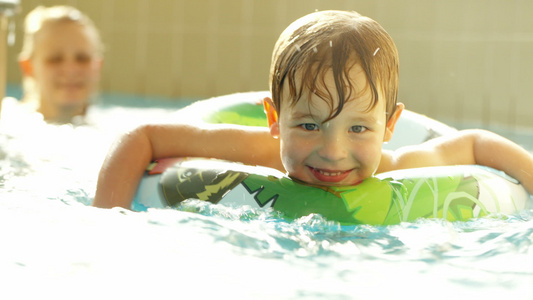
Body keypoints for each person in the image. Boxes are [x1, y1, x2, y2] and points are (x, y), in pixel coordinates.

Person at [92, 10, 533, 209]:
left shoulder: (399, 165)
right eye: (308, 124)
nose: (333, 151)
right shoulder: (251, 153)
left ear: (390, 125)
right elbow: (141, 136)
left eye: (359, 128)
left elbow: (477, 144)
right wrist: (107, 220)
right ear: (273, 119)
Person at [15, 5, 103, 124]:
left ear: (97, 66)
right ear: (28, 67)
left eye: (82, 59)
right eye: (55, 59)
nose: (70, 70)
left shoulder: (115, 130)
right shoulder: (10, 122)